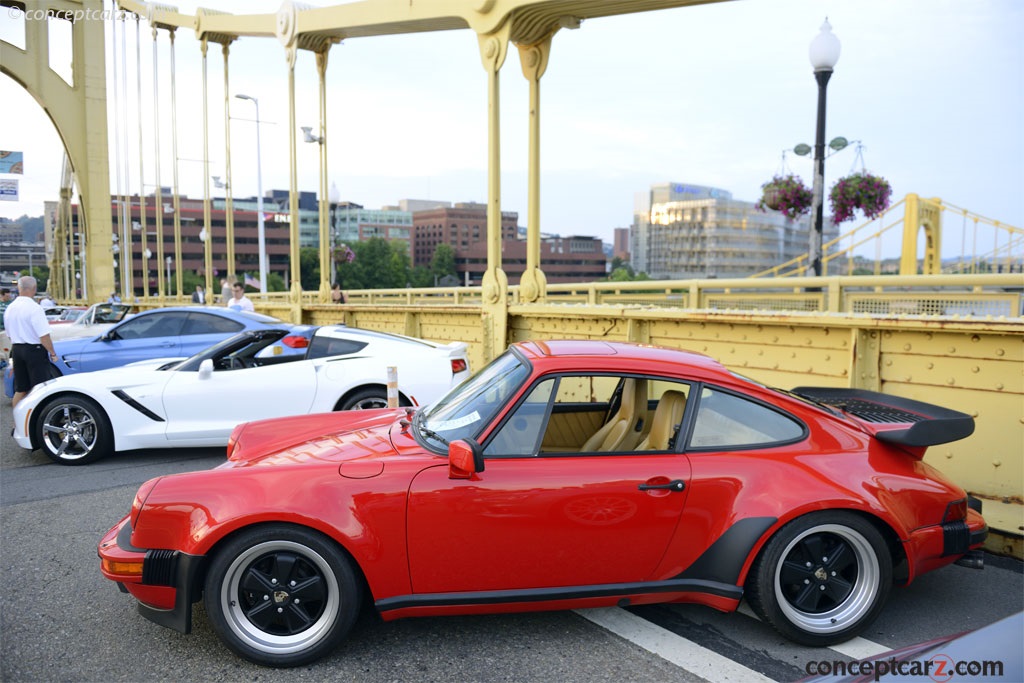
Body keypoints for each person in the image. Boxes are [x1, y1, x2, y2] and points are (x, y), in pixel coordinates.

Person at [4, 276, 59, 409]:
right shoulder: (35, 308)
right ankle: (36, 421)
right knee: (39, 389)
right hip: (34, 351)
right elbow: (44, 336)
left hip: (16, 349)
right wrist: (52, 353)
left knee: (20, 389)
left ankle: (17, 423)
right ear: (34, 289)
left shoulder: (10, 308)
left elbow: (9, 335)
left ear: (19, 288)